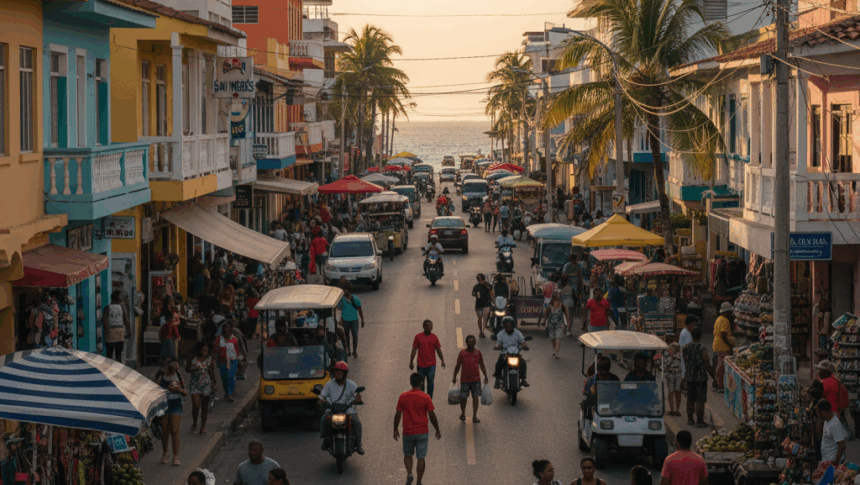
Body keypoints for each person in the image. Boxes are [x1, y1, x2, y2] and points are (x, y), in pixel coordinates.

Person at [394, 372, 441, 485]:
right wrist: (437, 429)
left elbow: (398, 414)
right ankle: (419, 481)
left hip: (408, 432)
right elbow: (432, 415)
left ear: (411, 383)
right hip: (422, 432)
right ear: (421, 383)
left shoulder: (403, 396)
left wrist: (395, 429)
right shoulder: (426, 397)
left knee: (408, 455)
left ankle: (409, 473)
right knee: (421, 457)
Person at [318, 361, 364, 454]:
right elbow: (322, 396)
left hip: (348, 410)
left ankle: (358, 444)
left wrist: (358, 399)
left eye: (340, 372)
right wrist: (322, 400)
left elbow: (357, 395)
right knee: (324, 419)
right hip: (332, 409)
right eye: (336, 372)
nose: (338, 374)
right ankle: (326, 439)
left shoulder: (351, 384)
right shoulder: (329, 384)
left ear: (345, 374)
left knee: (356, 422)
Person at [155, 358, 187, 466]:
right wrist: (166, 389)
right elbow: (155, 390)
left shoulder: (178, 375)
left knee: (174, 430)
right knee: (165, 430)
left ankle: (175, 456)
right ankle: (165, 453)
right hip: (164, 404)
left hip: (176, 404)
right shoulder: (161, 375)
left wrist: (179, 390)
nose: (173, 370)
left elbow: (185, 391)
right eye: (171, 368)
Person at [452, 335, 489, 423]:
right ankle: (463, 414)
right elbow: (458, 366)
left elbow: (482, 365)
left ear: (475, 343)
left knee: (475, 398)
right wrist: (454, 376)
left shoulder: (478, 353)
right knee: (463, 398)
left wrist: (485, 376)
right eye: (469, 342)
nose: (471, 343)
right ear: (466, 343)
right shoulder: (462, 353)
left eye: (472, 342)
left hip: (476, 380)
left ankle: (475, 416)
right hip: (465, 380)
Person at [682, 327, 714, 427]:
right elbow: (707, 363)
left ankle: (690, 419)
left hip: (690, 377)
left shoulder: (685, 348)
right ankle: (700, 420)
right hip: (701, 378)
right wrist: (714, 376)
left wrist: (686, 376)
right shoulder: (702, 348)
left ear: (691, 336)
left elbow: (686, 362)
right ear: (700, 337)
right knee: (700, 399)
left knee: (690, 398)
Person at [185, 342, 217, 435]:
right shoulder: (193, 359)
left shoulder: (209, 360)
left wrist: (213, 383)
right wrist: (194, 369)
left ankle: (203, 427)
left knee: (204, 406)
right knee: (196, 405)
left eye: (206, 350)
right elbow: (187, 369)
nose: (204, 351)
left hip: (206, 384)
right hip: (195, 384)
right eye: (203, 349)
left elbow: (212, 372)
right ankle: (195, 422)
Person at [409, 320, 446, 399]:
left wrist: (442, 360)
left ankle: (429, 400)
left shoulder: (434, 337)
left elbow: (438, 350)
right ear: (423, 327)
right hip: (421, 365)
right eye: (426, 325)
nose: (428, 327)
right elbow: (414, 350)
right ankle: (422, 399)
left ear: (432, 327)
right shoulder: (418, 337)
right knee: (421, 384)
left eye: (430, 325)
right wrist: (411, 362)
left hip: (431, 365)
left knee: (430, 383)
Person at [492, 317, 529, 388]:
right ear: (504, 326)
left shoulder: (518, 333)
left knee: (523, 363)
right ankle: (497, 380)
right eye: (506, 326)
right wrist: (497, 346)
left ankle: (523, 379)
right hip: (504, 354)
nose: (509, 328)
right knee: (498, 364)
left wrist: (524, 346)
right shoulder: (501, 334)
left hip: (515, 353)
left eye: (510, 326)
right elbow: (499, 342)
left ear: (513, 325)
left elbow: (523, 342)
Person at [218, 320, 245, 402]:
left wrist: (241, 358)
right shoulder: (219, 339)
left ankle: (230, 394)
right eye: (226, 328)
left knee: (231, 377)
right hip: (223, 361)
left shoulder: (235, 339)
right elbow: (216, 350)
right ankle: (227, 393)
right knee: (224, 378)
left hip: (233, 360)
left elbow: (238, 350)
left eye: (229, 328)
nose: (228, 329)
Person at [712, 302, 734, 392]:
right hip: (723, 346)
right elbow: (723, 334)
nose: (731, 314)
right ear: (726, 312)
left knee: (719, 366)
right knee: (722, 368)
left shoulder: (719, 319)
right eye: (729, 312)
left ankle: (718, 384)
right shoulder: (725, 320)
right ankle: (721, 385)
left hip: (718, 345)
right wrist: (730, 346)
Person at [103, 290, 131, 361]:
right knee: (118, 355)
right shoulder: (121, 308)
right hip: (120, 333)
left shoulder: (107, 308)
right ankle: (118, 367)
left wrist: (106, 331)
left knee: (109, 355)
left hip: (110, 333)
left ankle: (110, 367)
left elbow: (105, 322)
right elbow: (125, 320)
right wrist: (128, 330)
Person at [338, 286, 364, 358]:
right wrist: (340, 320)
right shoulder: (342, 300)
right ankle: (348, 350)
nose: (344, 292)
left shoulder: (356, 299)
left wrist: (362, 320)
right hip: (345, 320)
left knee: (355, 335)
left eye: (345, 290)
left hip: (354, 320)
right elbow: (339, 310)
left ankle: (354, 350)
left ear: (349, 291)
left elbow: (360, 310)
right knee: (346, 336)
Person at [544, 292, 569, 359]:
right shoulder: (549, 306)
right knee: (552, 339)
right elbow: (546, 314)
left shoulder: (562, 306)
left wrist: (567, 323)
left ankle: (556, 352)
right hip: (551, 325)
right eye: (556, 299)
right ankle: (555, 350)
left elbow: (566, 314)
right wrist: (544, 322)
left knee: (558, 337)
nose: (557, 301)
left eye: (558, 299)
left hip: (559, 325)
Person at [159, 296, 181, 363]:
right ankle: (174, 360)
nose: (172, 303)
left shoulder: (170, 309)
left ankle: (168, 360)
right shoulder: (168, 311)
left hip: (167, 334)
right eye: (171, 301)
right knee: (173, 347)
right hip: (169, 334)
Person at [665, 343, 683, 416]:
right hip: (670, 375)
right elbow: (665, 364)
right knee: (671, 392)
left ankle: (677, 410)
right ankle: (672, 409)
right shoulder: (667, 355)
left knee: (677, 392)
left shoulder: (679, 355)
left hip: (677, 374)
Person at [472, 274, 493, 338]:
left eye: (482, 279)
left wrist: (486, 285)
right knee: (480, 318)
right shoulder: (476, 287)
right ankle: (481, 332)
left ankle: (483, 331)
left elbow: (491, 289)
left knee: (485, 319)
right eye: (479, 280)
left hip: (486, 304)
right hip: (479, 304)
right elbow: (473, 293)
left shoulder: (488, 285)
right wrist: (475, 294)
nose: (481, 281)